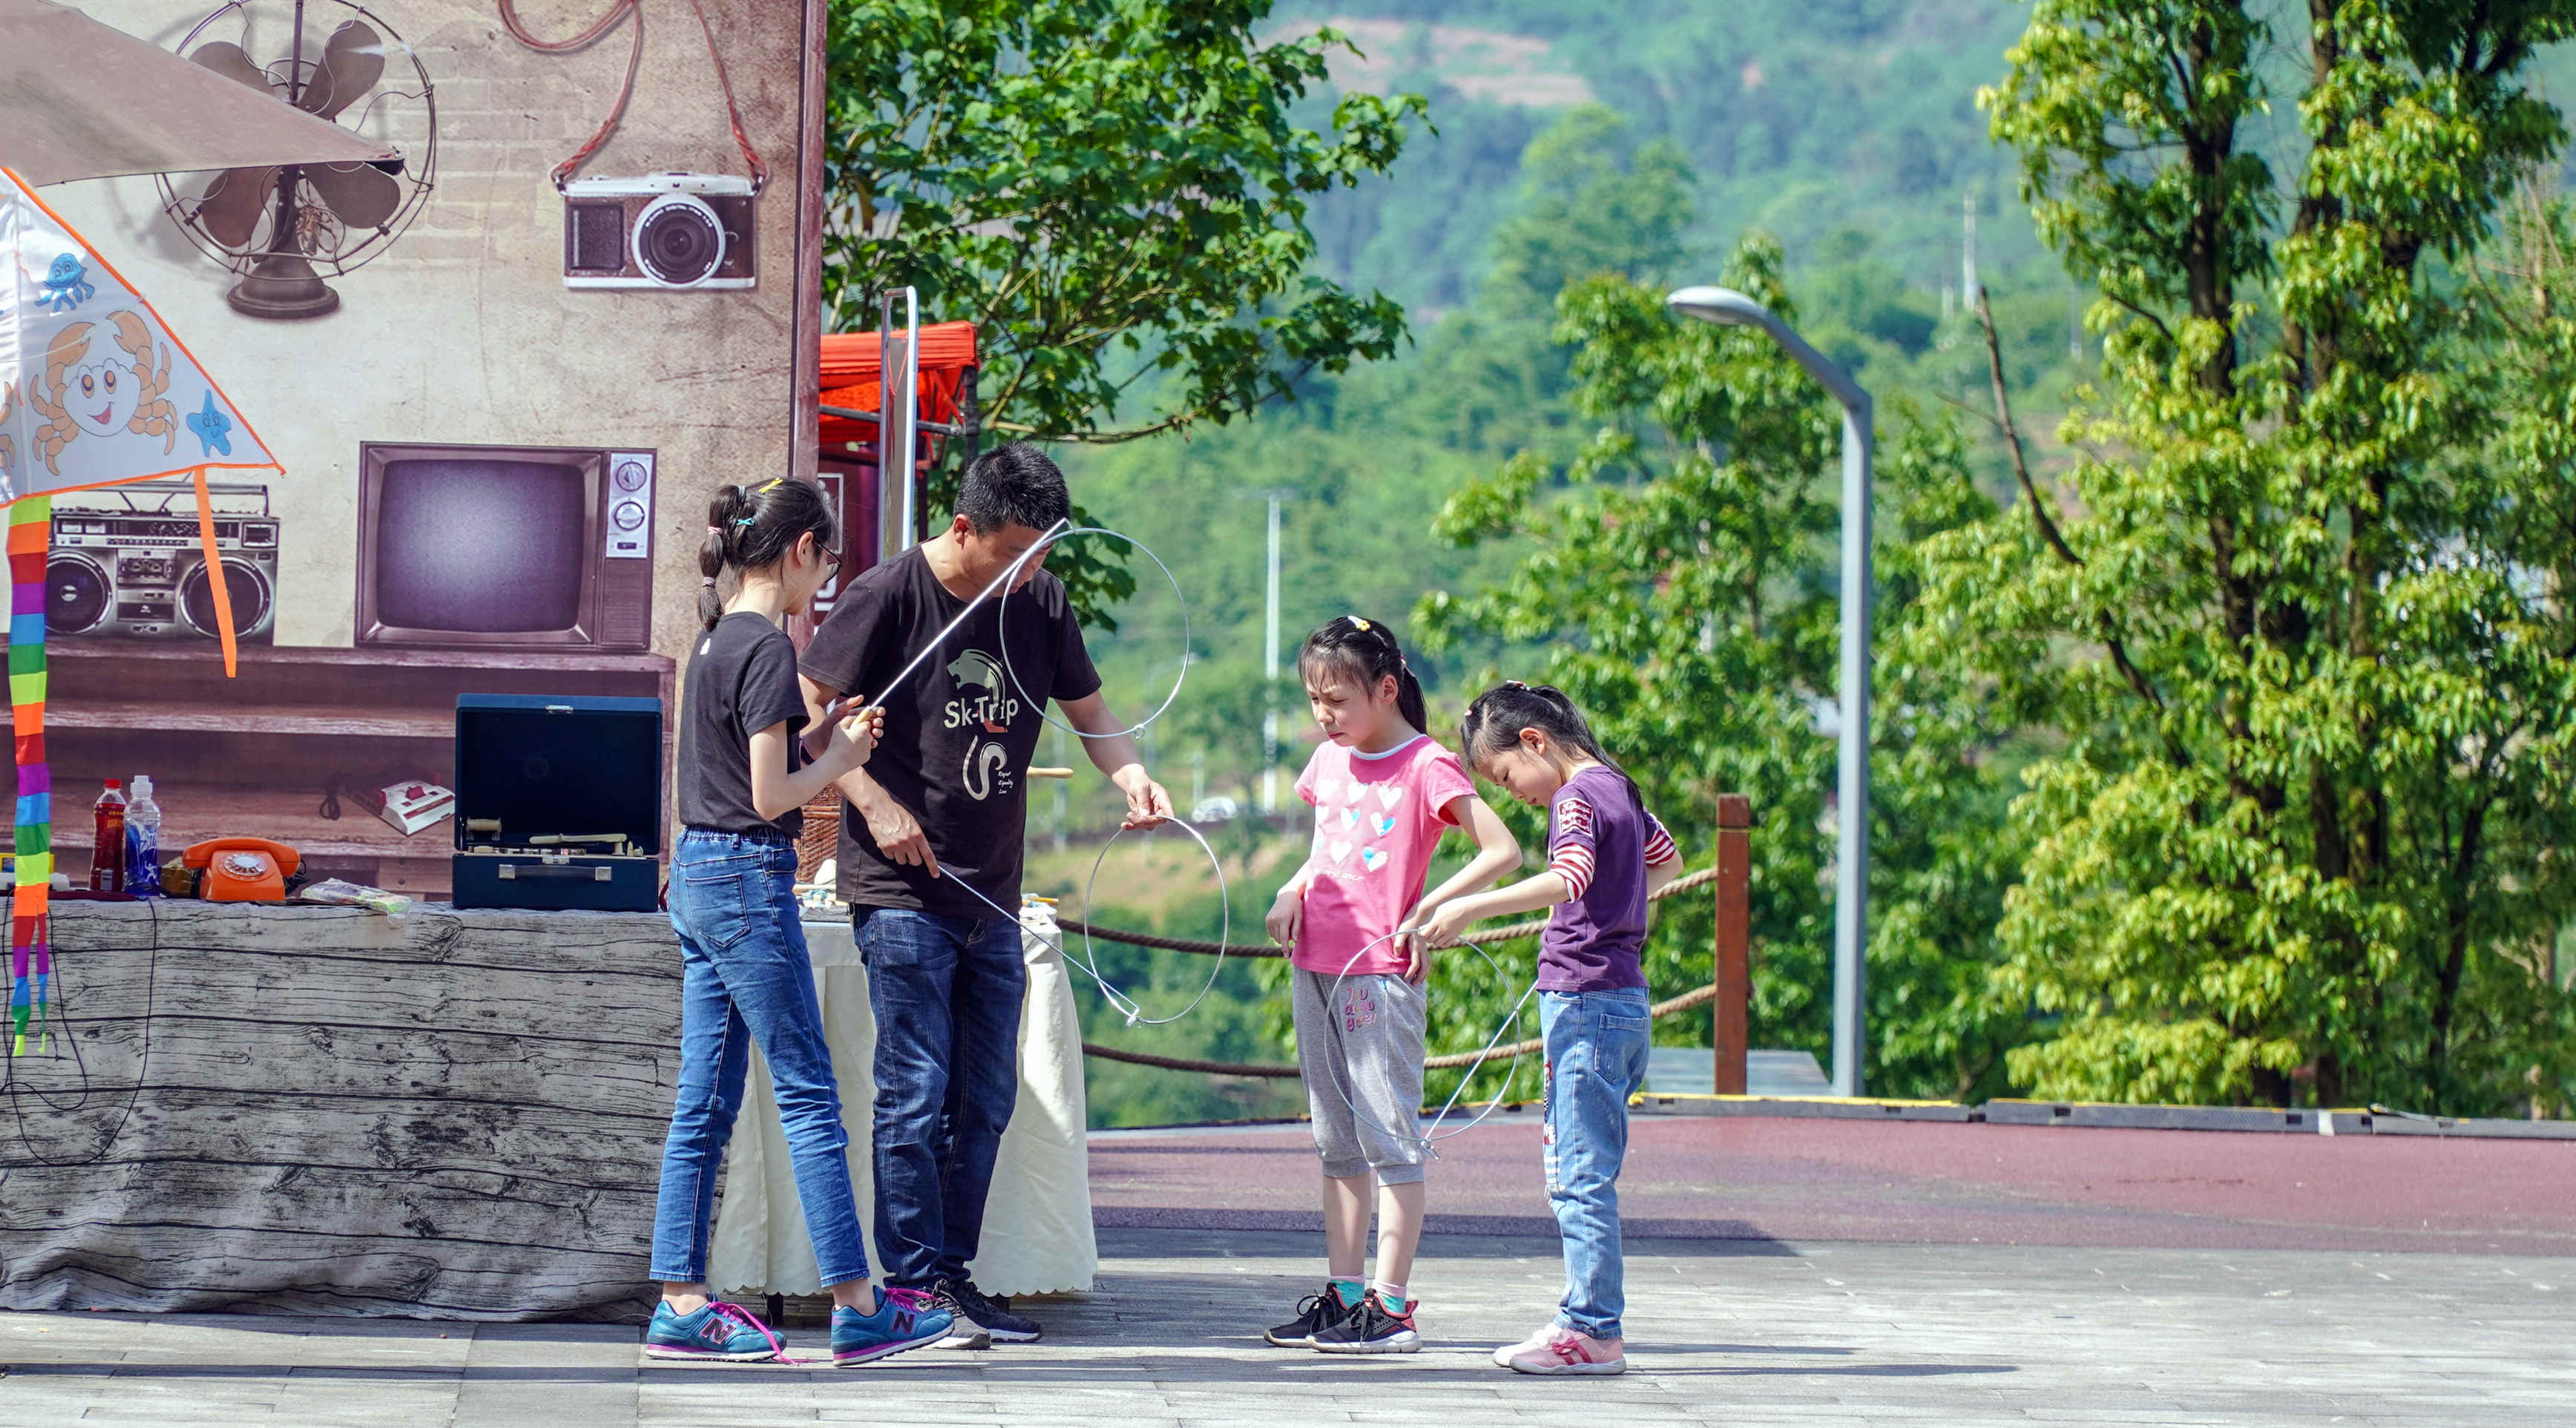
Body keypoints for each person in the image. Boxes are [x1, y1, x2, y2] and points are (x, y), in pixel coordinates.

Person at [800, 442, 1174, 1348]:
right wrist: (877, 803)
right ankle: (914, 1282)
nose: (1028, 572)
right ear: (962, 527)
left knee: (987, 1094)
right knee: (913, 1087)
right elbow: (804, 718)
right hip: (900, 889)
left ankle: (952, 1276)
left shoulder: (1040, 599)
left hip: (995, 894)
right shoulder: (890, 594)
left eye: (1042, 552)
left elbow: (1095, 719)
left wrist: (1131, 777)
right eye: (1011, 553)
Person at [648, 477, 953, 1367]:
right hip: (746, 878)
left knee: (702, 1104)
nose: (824, 581)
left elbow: (735, 781)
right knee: (809, 1093)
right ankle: (860, 1304)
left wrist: (834, 746)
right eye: (824, 560)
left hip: (698, 875)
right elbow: (772, 794)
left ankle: (680, 1298)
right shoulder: (770, 649)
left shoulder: (711, 640)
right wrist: (849, 755)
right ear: (798, 553)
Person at [1259, 616, 1524, 1355]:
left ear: (1384, 688)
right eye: (1314, 698)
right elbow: (1327, 850)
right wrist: (1291, 885)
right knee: (1334, 1141)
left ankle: (1394, 1306)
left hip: (1379, 975)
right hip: (1313, 960)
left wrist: (1430, 910)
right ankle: (1344, 1295)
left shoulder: (1427, 764)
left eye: (1337, 699)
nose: (1324, 715)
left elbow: (1501, 850)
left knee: (1390, 1138)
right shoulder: (1331, 762)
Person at [1418, 682, 1683, 1377]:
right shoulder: (1618, 785)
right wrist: (1619, 911)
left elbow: (1568, 876)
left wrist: (1471, 906)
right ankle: (1585, 1319)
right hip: (1625, 997)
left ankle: (1592, 1330)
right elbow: (1669, 859)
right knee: (1588, 1165)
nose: (1516, 794)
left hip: (1585, 1001)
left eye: (1507, 776)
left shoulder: (1573, 796)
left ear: (1534, 741)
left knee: (1577, 1174)